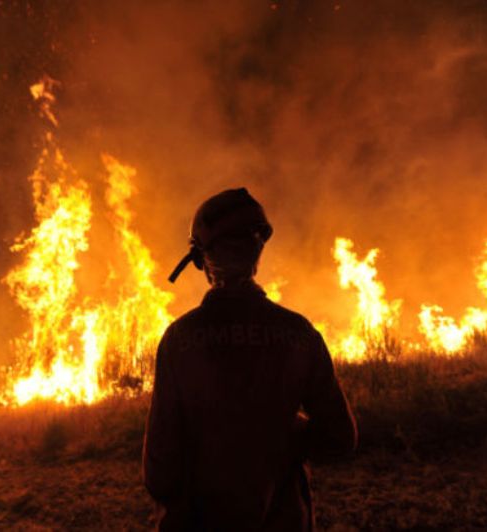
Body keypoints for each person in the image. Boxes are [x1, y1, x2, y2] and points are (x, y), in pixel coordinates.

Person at [143, 188, 357, 531]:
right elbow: (340, 437)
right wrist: (281, 434)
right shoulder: (298, 333)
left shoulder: (180, 340)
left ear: (200, 259)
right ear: (259, 251)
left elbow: (159, 471)